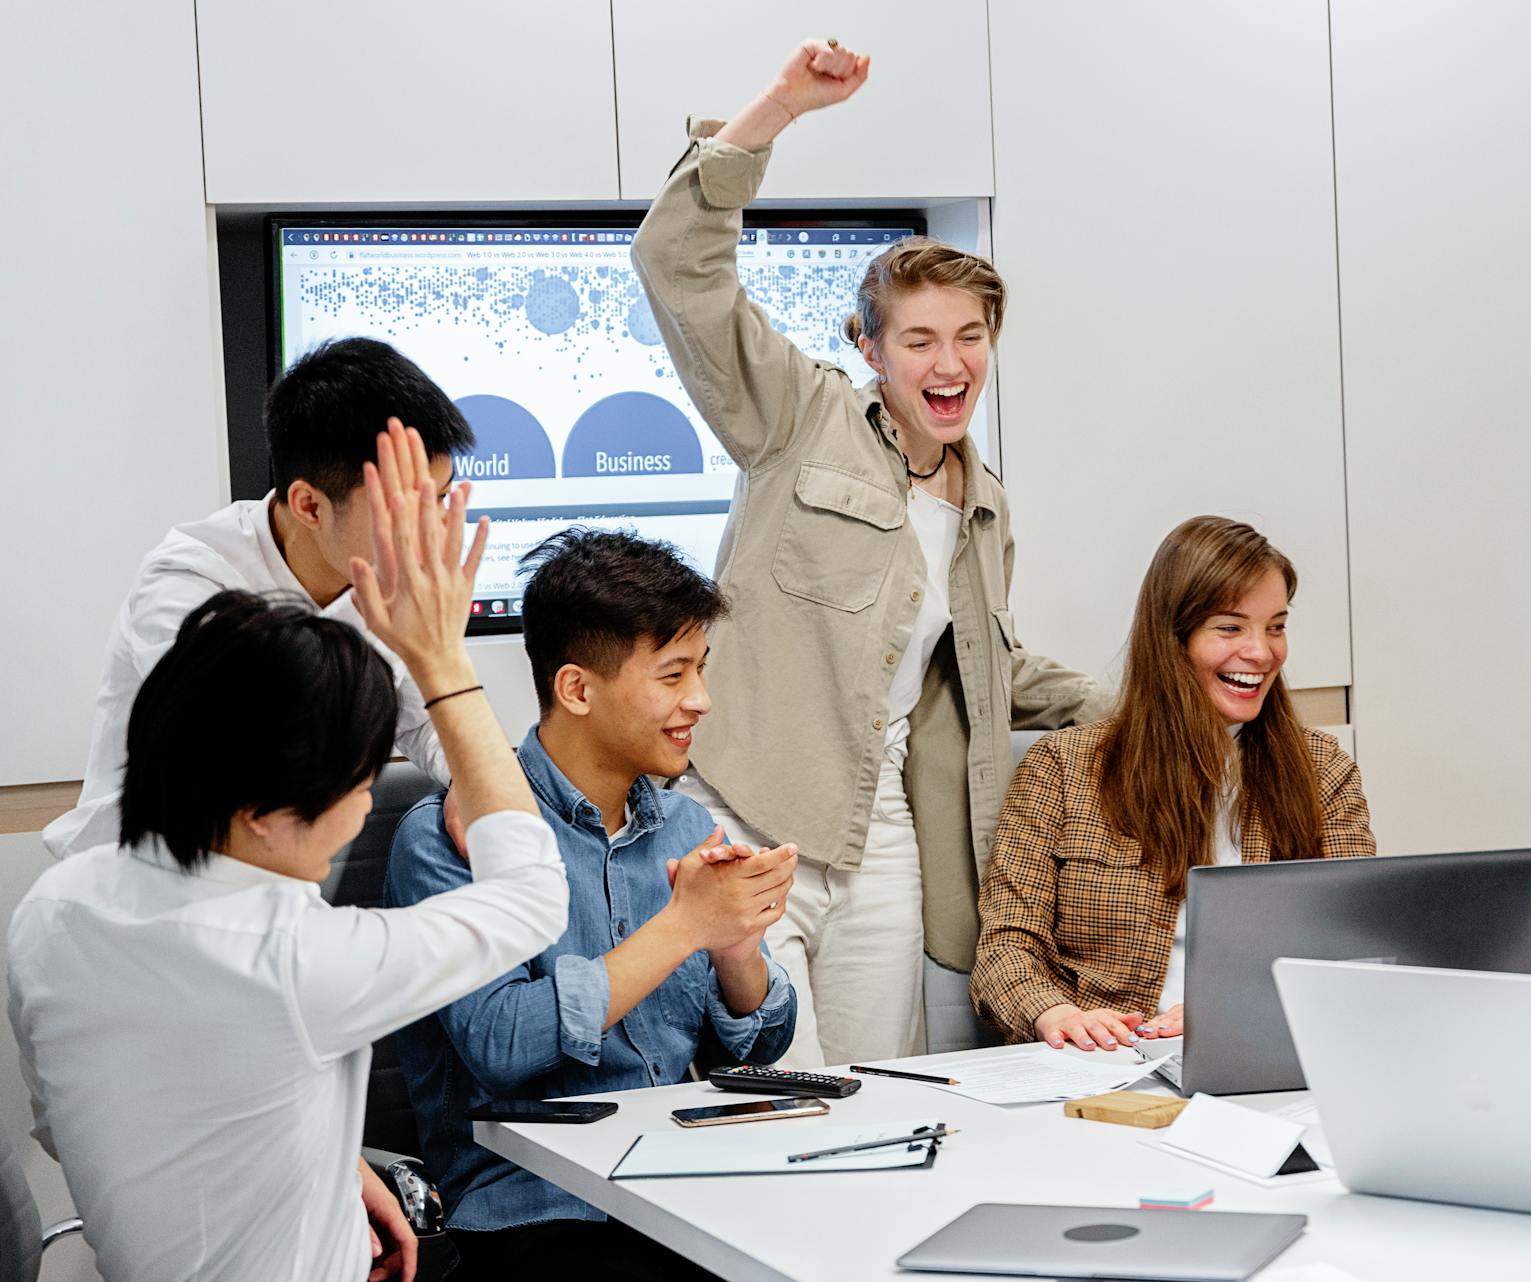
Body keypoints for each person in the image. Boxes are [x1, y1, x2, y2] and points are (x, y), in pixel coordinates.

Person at [630, 38, 1105, 1066]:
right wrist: (781, 109)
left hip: (876, 826)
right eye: (921, 340)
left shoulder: (986, 505)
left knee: (882, 1088)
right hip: (748, 804)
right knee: (780, 1086)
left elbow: (986, 664)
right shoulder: (797, 419)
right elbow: (676, 264)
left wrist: (1144, 703)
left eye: (970, 336)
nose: (950, 362)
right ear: (871, 348)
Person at [7, 424, 569, 1282]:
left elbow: (83, 1117)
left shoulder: (52, 908)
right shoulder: (299, 959)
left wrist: (324, 1167)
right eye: (360, 779)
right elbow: (531, 894)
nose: (367, 804)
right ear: (269, 810)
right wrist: (443, 657)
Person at [385, 528, 798, 1279]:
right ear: (576, 688)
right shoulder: (445, 838)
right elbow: (500, 1044)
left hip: (685, 1181)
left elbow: (760, 1045)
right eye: (672, 676)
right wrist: (683, 927)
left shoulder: (683, 825)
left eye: (701, 670)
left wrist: (737, 950)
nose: (700, 701)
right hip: (539, 1208)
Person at [43, 336, 472, 860]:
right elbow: (261, 758)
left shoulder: (391, 576)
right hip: (146, 886)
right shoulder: (190, 582)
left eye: (444, 497)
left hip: (280, 880)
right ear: (310, 505)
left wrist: (471, 782)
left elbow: (428, 717)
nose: (434, 530)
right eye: (406, 508)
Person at [972, 516, 1377, 1049]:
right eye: (1230, 628)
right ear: (1172, 639)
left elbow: (1356, 943)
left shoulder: (1322, 768)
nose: (1261, 652)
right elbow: (1005, 948)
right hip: (1107, 1061)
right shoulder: (1063, 768)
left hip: (1261, 1046)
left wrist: (1241, 1005)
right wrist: (1055, 1014)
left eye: (1275, 626)